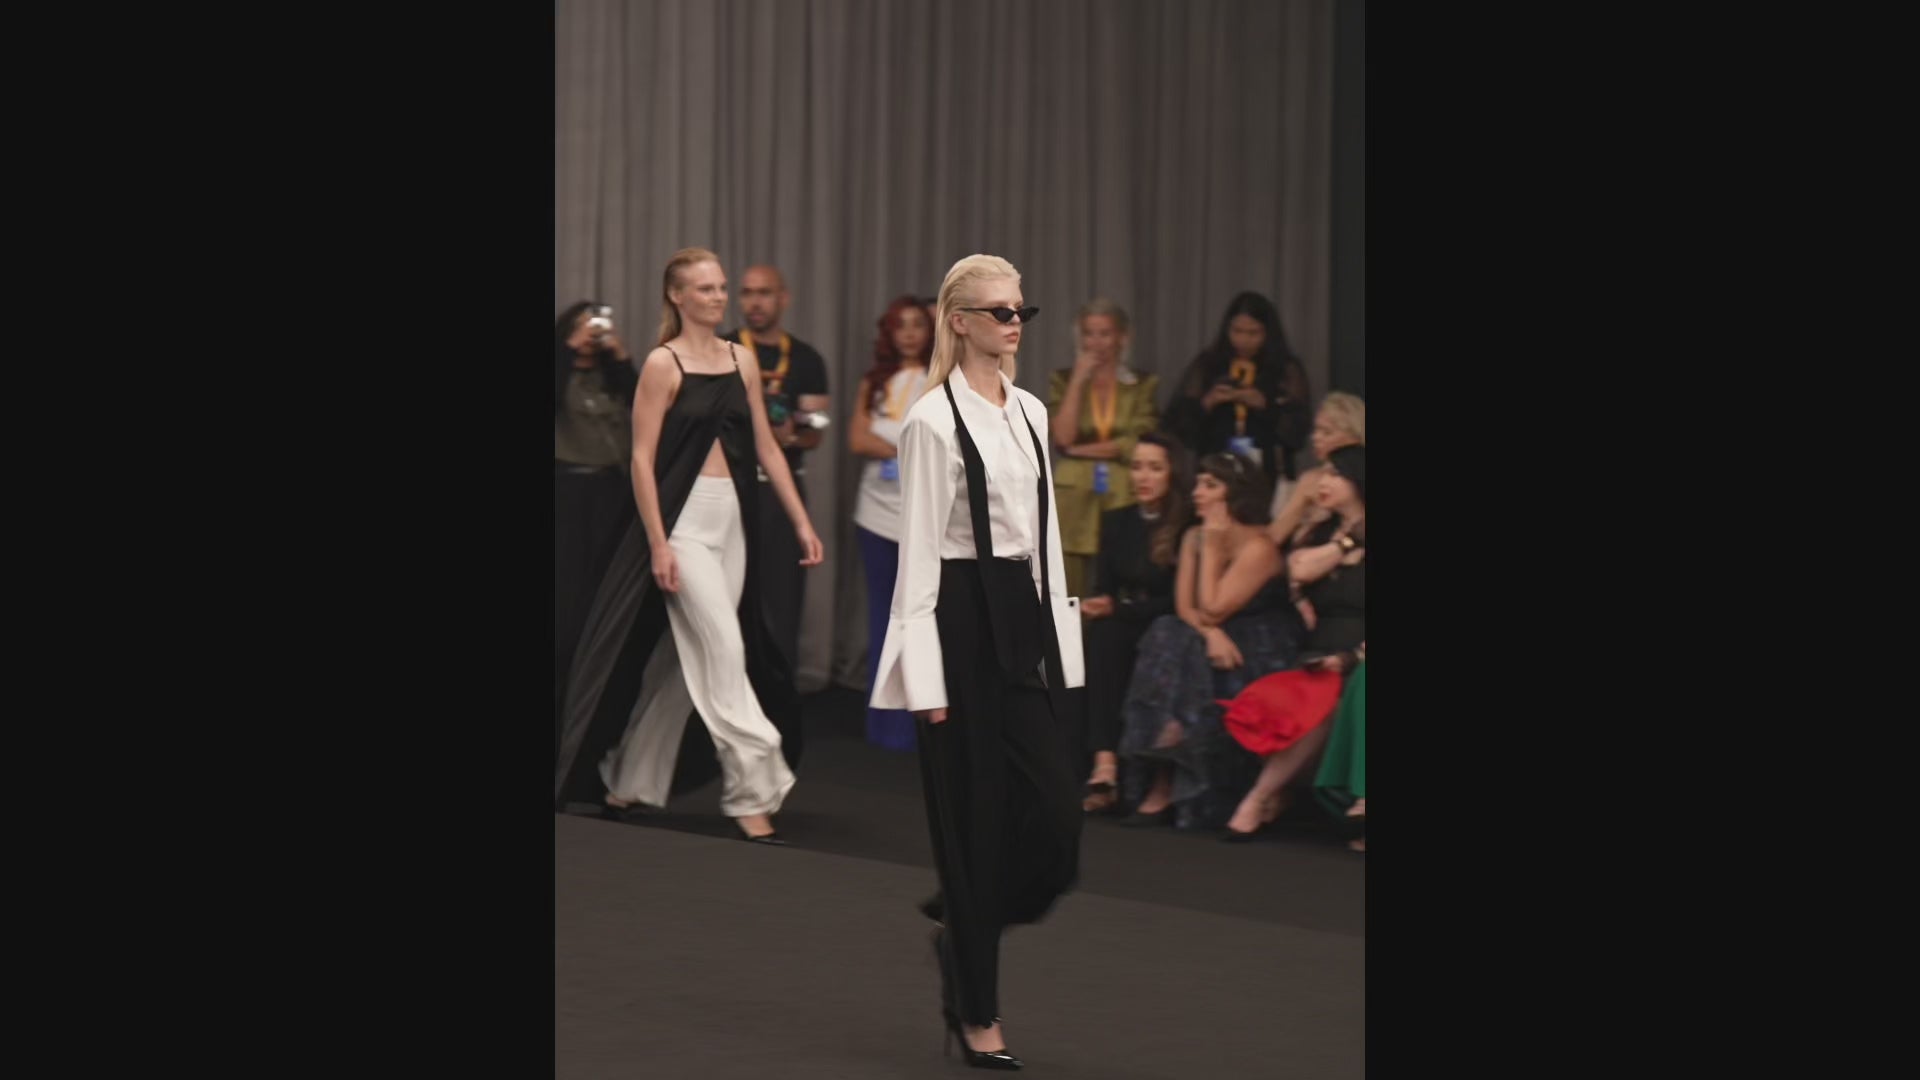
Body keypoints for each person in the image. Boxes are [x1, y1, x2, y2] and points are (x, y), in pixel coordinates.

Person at [870, 253, 1084, 1069]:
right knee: (975, 826)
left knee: (1057, 821)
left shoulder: (1029, 410)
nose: (1014, 323)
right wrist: (923, 677)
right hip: (957, 621)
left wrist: (1063, 650)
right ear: (958, 322)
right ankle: (978, 1013)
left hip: (1020, 615)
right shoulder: (929, 420)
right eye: (999, 311)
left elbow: (1045, 538)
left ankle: (964, 927)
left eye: (1021, 309)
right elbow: (919, 556)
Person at [555, 248, 824, 844]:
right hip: (683, 524)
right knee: (725, 650)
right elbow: (642, 460)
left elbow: (768, 446)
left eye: (721, 287)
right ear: (677, 296)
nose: (718, 297)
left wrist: (801, 521)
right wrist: (658, 543)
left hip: (733, 522)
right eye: (705, 288)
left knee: (686, 666)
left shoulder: (740, 358)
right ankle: (753, 789)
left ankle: (628, 779)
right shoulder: (663, 362)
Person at [1114, 452, 1300, 831]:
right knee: (1169, 631)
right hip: (1208, 634)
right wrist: (1211, 634)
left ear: (1235, 493)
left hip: (1257, 640)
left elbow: (1214, 607)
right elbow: (1187, 607)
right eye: (1198, 483)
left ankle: (1168, 770)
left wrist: (1213, 549)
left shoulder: (1259, 545)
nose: (1197, 492)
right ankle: (1168, 756)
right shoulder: (1193, 536)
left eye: (1210, 485)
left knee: (1182, 646)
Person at [1221, 445, 1366, 839]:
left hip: (1356, 658)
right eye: (1323, 473)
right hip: (1317, 654)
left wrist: (1350, 659)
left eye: (1335, 474)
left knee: (1329, 703)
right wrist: (1348, 542)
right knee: (1282, 701)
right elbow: (1298, 569)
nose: (1323, 482)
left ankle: (1259, 798)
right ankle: (1273, 795)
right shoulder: (1319, 532)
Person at [723, 264, 830, 677]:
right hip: (729, 487)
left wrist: (791, 434)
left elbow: (815, 432)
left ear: (783, 299)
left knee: (782, 600)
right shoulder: (722, 349)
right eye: (747, 292)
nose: (754, 302)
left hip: (782, 489)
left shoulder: (806, 359)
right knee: (726, 595)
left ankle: (777, 696)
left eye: (764, 293)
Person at [1077, 433, 1191, 814]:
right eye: (1137, 467)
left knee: (1115, 632)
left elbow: (1179, 600)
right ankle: (1104, 763)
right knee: (1103, 636)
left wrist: (1120, 608)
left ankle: (1118, 767)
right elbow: (1105, 586)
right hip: (1124, 619)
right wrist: (1099, 604)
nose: (1143, 476)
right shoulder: (1117, 520)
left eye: (1155, 468)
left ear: (1173, 473)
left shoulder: (1187, 525)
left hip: (1170, 623)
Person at [849, 295, 936, 751]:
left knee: (919, 616)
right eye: (900, 325)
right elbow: (857, 438)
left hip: (923, 516)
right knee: (882, 615)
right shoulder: (875, 381)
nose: (909, 333)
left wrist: (891, 443)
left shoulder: (941, 379)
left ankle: (920, 717)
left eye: (917, 324)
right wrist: (902, 448)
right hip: (875, 514)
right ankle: (883, 724)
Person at [554, 300, 638, 757]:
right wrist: (569, 349)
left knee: (606, 600)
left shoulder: (612, 375)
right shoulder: (561, 368)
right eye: (584, 325)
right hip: (568, 493)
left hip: (613, 492)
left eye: (599, 325)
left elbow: (644, 406)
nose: (593, 332)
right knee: (569, 603)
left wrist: (621, 357)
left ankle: (603, 719)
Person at [1046, 299, 1161, 599]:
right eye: (1089, 333)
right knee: (1069, 584)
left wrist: (1079, 451)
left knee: (1120, 574)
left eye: (1105, 334)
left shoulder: (1143, 384)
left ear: (1123, 337)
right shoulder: (1062, 380)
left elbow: (1135, 444)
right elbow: (1062, 437)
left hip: (1123, 490)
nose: (1096, 342)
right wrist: (1078, 381)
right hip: (1073, 495)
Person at [1163, 291, 1311, 482]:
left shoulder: (1284, 368)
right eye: (1237, 331)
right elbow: (1177, 426)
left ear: (1268, 333)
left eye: (1253, 333)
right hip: (1215, 463)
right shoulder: (1209, 364)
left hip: (1266, 468)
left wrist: (1265, 405)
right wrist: (1207, 402)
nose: (1243, 340)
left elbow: (1298, 432)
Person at [1267, 390, 1364, 544]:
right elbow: (1275, 536)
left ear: (1355, 438)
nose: (1316, 437)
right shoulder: (1310, 479)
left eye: (1327, 432)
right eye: (1316, 430)